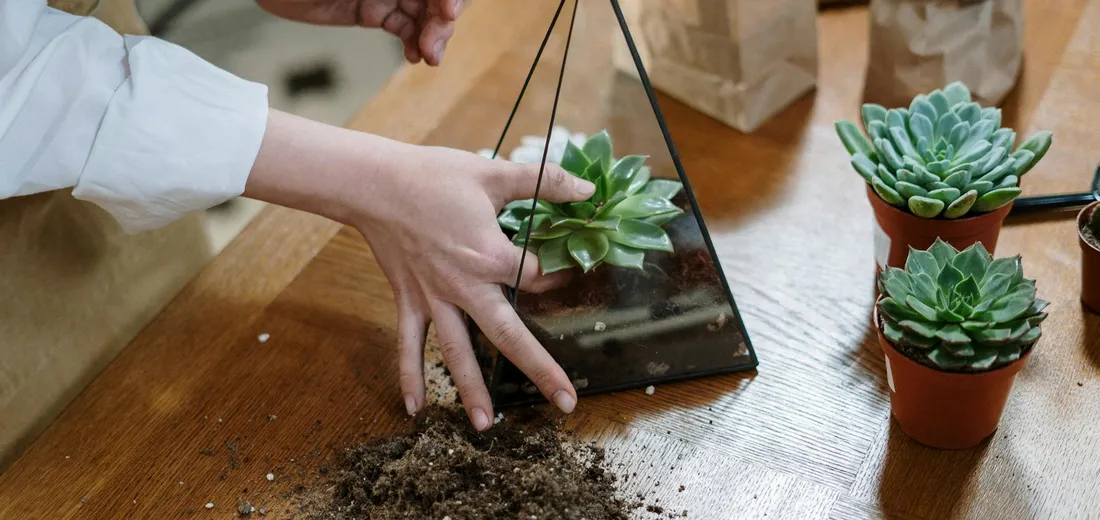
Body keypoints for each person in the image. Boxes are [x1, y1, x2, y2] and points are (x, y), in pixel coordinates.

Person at [0, 0, 588, 438]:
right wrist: (376, 183)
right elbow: (30, 83)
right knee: (81, 453)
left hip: (113, 127)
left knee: (183, 367)